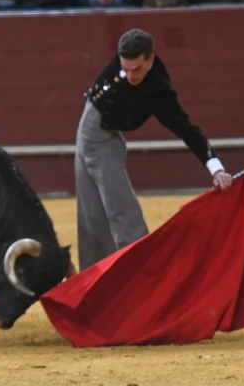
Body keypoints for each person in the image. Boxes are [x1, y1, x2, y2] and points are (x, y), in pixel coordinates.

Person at [75, 28, 233, 271]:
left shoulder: (157, 89)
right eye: (124, 68)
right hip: (95, 133)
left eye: (136, 69)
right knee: (115, 213)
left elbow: (186, 128)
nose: (129, 75)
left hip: (100, 132)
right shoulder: (127, 62)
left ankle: (107, 277)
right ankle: (135, 276)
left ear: (151, 59)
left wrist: (215, 167)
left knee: (98, 213)